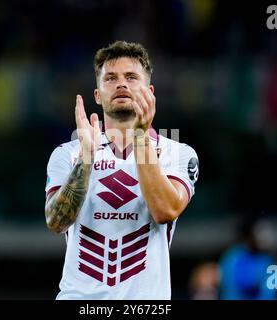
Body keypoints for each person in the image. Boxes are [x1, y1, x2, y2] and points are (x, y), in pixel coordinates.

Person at [44, 41, 199, 299]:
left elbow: (165, 211)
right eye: (111, 78)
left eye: (131, 77)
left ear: (149, 92)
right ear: (97, 94)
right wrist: (86, 160)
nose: (121, 84)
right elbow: (56, 222)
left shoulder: (179, 153)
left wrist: (139, 136)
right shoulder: (67, 153)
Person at [219, 216, 277, 300]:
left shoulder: (268, 257)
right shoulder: (236, 256)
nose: (268, 236)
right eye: (261, 231)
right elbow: (251, 285)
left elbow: (271, 290)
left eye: (268, 231)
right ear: (249, 235)